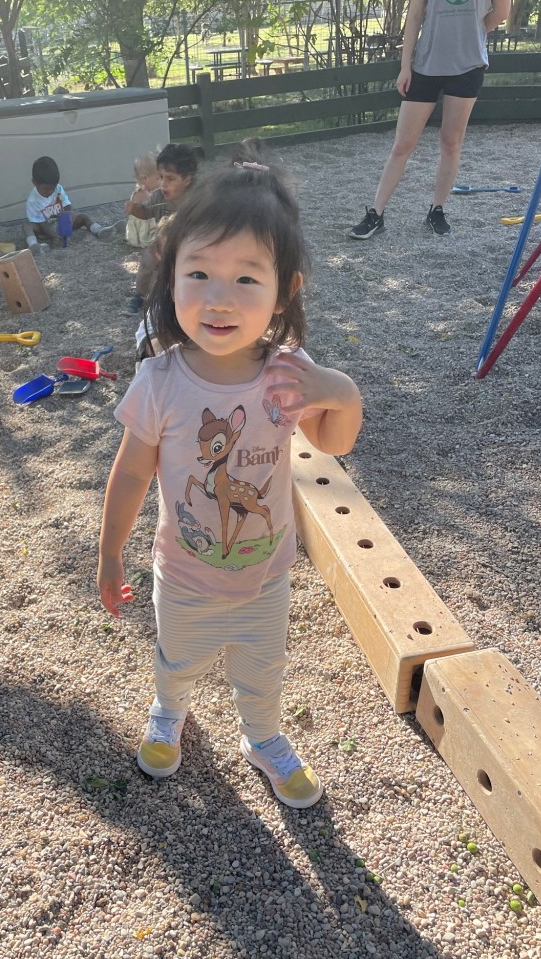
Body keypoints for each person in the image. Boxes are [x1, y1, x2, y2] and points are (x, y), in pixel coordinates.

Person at [98, 156, 363, 808]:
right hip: (184, 573)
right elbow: (131, 471)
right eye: (199, 273)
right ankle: (168, 712)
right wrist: (109, 553)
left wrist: (340, 390)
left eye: (246, 277)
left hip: (265, 574)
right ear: (169, 273)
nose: (218, 298)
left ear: (285, 289)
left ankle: (263, 735)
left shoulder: (288, 373)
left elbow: (334, 441)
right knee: (178, 657)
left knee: (262, 666)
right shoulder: (160, 381)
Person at [350, 0, 511, 239]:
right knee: (402, 145)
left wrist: (471, 35)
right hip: (425, 66)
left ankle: (437, 210)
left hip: (468, 67)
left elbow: (501, 12)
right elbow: (415, 15)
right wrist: (405, 66)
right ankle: (376, 214)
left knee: (451, 142)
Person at [122, 143, 199, 315]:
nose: (163, 184)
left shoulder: (197, 198)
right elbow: (146, 212)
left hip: (192, 245)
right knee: (149, 259)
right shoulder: (158, 196)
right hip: (163, 244)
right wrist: (134, 209)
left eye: (170, 179)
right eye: (161, 177)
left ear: (187, 180)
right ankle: (140, 295)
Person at [23, 155, 123, 255]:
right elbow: (41, 223)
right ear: (34, 183)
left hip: (61, 223)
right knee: (27, 225)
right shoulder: (32, 200)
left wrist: (69, 217)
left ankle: (99, 231)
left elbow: (67, 205)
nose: (49, 192)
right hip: (44, 228)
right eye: (45, 189)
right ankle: (34, 245)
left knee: (83, 217)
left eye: (52, 188)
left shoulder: (58, 189)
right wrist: (53, 235)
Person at [125, 152, 162, 249]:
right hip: (143, 231)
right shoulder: (143, 194)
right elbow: (147, 213)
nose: (161, 182)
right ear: (145, 178)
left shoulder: (147, 191)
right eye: (158, 178)